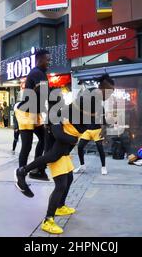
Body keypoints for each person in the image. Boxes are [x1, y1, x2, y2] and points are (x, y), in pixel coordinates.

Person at [14, 75, 115, 235]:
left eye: (112, 92)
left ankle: (60, 206)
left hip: (64, 131)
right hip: (62, 131)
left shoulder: (95, 99)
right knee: (59, 179)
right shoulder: (90, 97)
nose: (110, 94)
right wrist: (65, 133)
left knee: (68, 177)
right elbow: (66, 114)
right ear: (102, 87)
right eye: (109, 91)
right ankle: (48, 219)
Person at [15, 49, 51, 181]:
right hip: (25, 113)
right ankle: (21, 176)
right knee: (27, 145)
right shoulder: (37, 73)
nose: (49, 62)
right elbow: (44, 94)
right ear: (40, 60)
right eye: (47, 60)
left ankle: (37, 169)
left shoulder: (41, 73)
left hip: (34, 112)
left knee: (44, 139)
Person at [75, 104, 107, 175]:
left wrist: (103, 131)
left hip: (97, 130)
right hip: (87, 130)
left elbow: (103, 121)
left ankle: (103, 167)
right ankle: (82, 166)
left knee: (100, 148)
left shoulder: (100, 107)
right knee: (80, 146)